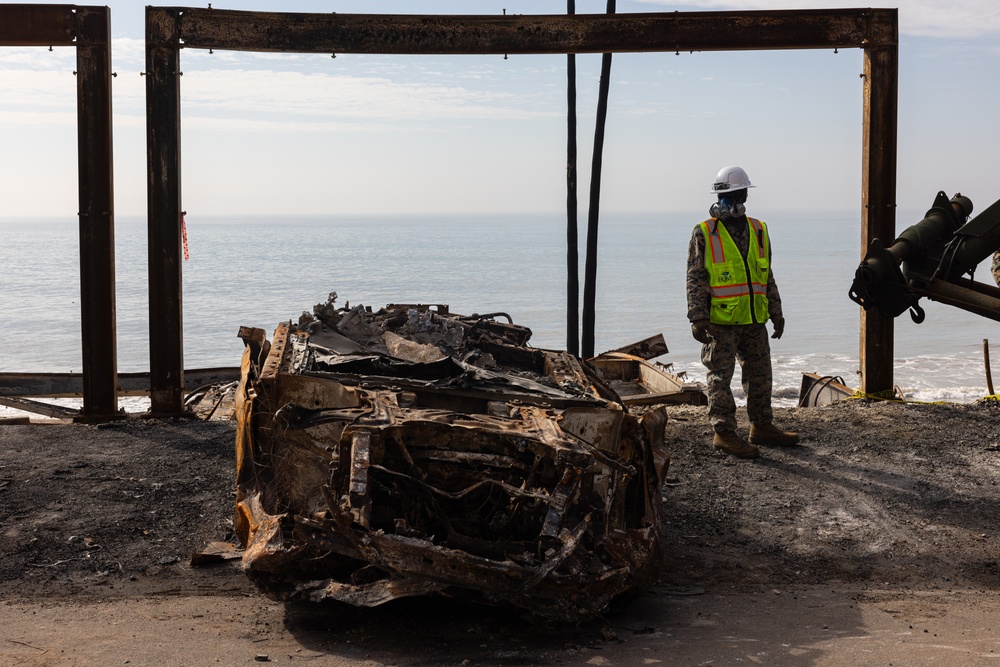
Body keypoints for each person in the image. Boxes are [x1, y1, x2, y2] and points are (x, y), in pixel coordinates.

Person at [686, 165, 799, 458]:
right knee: (720, 378)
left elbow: (766, 274)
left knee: (760, 374)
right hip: (719, 322)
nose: (739, 200)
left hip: (753, 318)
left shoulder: (759, 230)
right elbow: (696, 277)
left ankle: (761, 426)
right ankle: (723, 432)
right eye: (734, 194)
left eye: (743, 193)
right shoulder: (705, 232)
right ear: (721, 198)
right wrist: (697, 317)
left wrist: (776, 310)